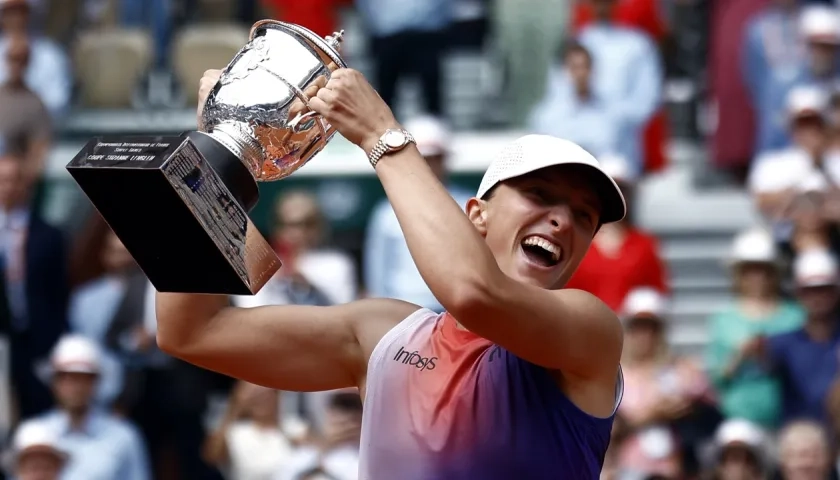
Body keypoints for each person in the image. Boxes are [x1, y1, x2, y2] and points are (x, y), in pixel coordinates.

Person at [157, 67, 627, 479]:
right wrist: (215, 159)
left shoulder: (590, 329)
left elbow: (474, 294)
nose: (563, 220)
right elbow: (191, 331)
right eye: (541, 195)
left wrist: (381, 134)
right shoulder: (385, 335)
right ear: (476, 216)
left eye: (584, 215)